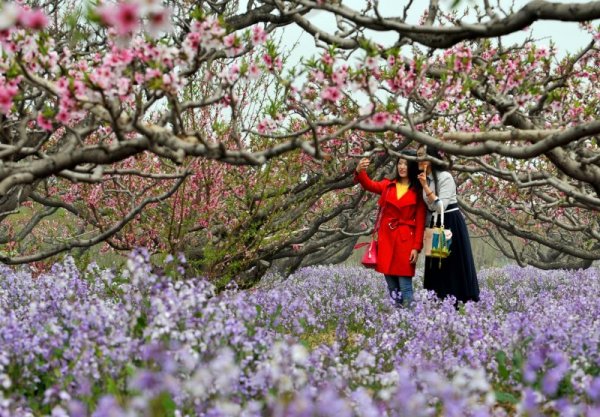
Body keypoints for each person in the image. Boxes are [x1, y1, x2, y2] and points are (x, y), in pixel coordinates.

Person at [354, 151, 426, 308]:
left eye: (406, 164)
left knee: (405, 286)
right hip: (386, 238)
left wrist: (416, 247)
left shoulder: (419, 191)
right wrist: (360, 171)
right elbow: (370, 185)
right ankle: (396, 323)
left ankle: (410, 323)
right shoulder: (388, 185)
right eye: (400, 163)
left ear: (412, 166)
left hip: (406, 240)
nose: (402, 167)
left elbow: (420, 223)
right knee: (392, 287)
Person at [416, 144, 480, 304]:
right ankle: (438, 300)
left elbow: (441, 206)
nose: (419, 159)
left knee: (452, 263)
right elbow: (429, 207)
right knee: (437, 264)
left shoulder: (445, 177)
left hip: (450, 222)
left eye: (423, 155)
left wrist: (424, 187)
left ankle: (459, 301)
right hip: (435, 222)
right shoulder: (425, 177)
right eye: (417, 155)